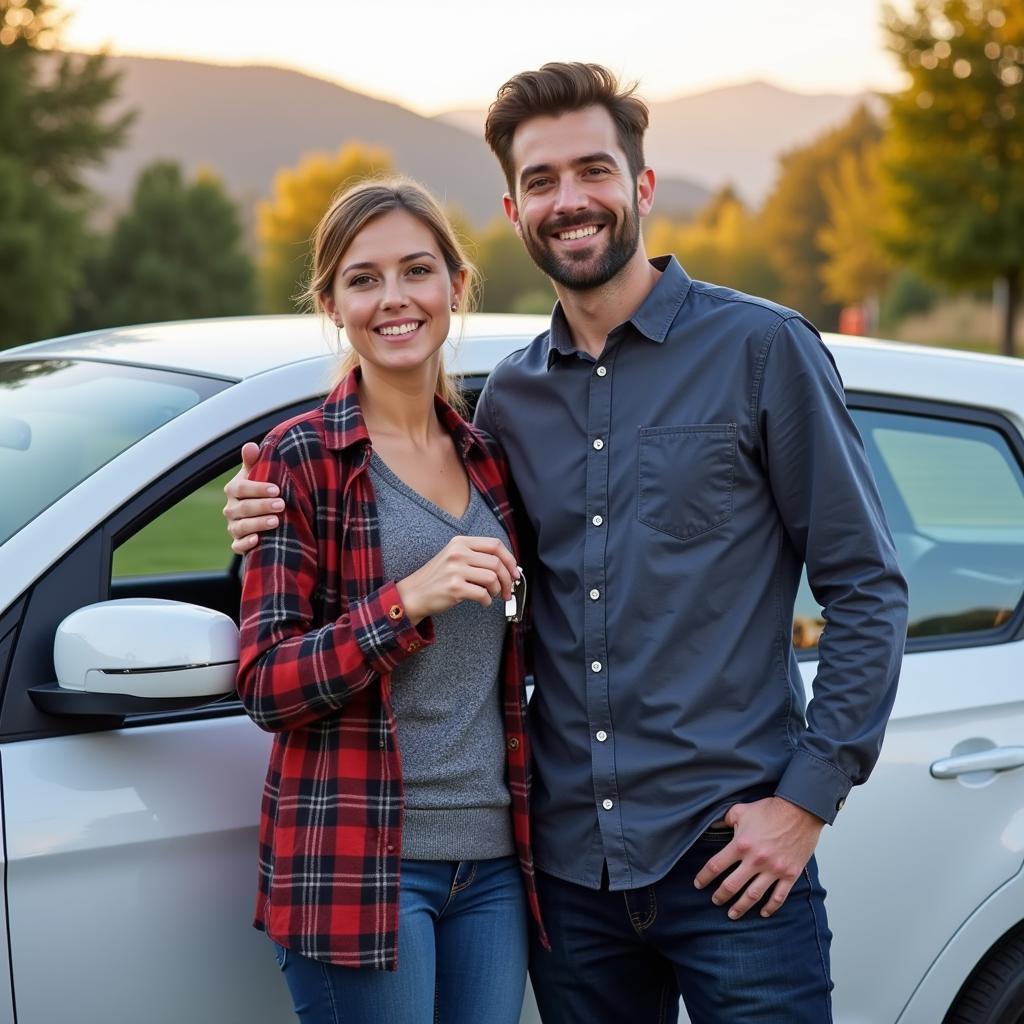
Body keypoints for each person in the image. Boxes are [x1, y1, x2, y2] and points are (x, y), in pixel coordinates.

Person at [226, 65, 908, 1024]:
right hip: (565, 879)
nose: (571, 200)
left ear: (642, 185)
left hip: (732, 856)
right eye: (543, 181)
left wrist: (807, 800)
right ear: (514, 210)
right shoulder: (509, 403)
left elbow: (868, 588)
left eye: (594, 170)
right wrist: (260, 514)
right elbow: (498, 602)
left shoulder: (763, 351)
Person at [234, 177, 546, 1024]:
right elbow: (266, 682)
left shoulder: (490, 458)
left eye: (416, 270)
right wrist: (406, 600)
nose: (394, 298)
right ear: (332, 304)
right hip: (362, 870)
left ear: (455, 285)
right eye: (363, 279)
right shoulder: (298, 462)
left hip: (491, 866)